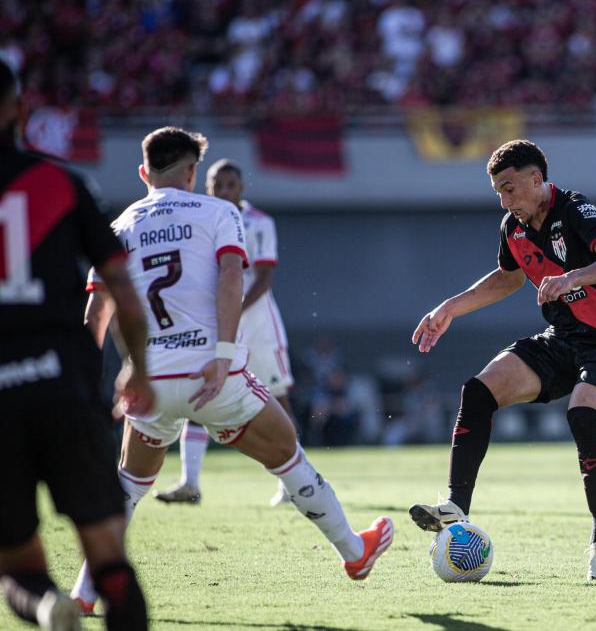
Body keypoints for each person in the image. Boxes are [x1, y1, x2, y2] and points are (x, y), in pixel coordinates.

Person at [70, 127, 392, 613]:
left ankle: (84, 592)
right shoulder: (219, 212)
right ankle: (354, 551)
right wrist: (221, 353)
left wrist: (86, 389)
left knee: (131, 485)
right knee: (287, 453)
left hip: (148, 381)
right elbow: (230, 277)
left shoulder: (117, 228)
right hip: (210, 373)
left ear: (143, 173)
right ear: (193, 173)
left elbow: (96, 314)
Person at [409, 139, 596, 581]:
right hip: (560, 340)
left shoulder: (575, 209)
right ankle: (457, 505)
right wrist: (448, 308)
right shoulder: (511, 228)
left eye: (510, 188)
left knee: (582, 418)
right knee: (478, 392)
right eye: (498, 190)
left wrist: (573, 276)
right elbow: (508, 279)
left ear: (537, 179)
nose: (504, 199)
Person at [0, 59, 151, 631]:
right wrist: (136, 366)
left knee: (16, 560)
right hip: (63, 384)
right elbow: (122, 291)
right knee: (109, 556)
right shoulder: (61, 183)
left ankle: (46, 606)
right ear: (18, 109)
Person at [153, 158, 297, 506]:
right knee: (201, 392)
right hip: (215, 323)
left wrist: (232, 311)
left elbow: (263, 278)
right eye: (218, 184)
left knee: (278, 396)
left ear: (241, 188)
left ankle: (293, 484)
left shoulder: (259, 222)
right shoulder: (200, 218)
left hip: (257, 323)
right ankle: (189, 482)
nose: (224, 191)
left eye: (230, 184)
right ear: (208, 187)